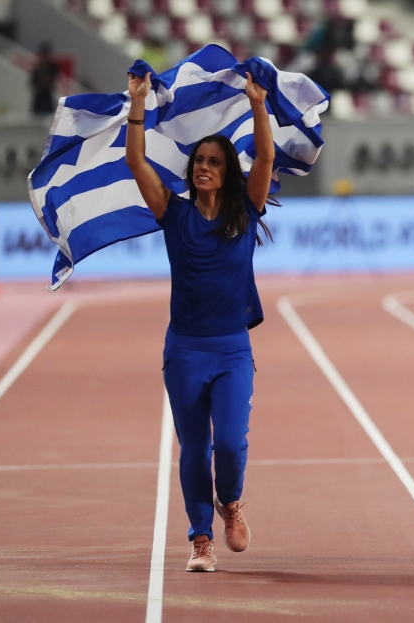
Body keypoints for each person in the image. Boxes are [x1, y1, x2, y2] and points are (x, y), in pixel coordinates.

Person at [125, 69, 275, 572]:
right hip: (185, 350)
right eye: (200, 162)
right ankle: (200, 536)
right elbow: (135, 161)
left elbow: (268, 158)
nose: (205, 167)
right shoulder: (173, 212)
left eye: (214, 161)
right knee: (195, 450)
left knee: (230, 443)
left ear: (228, 170)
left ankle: (230, 502)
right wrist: (138, 104)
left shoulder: (246, 211)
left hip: (232, 348)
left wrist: (258, 105)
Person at [30, 42, 59, 115]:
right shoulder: (37, 69)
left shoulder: (52, 68)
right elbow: (33, 84)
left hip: (47, 97)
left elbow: (49, 82)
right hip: (39, 97)